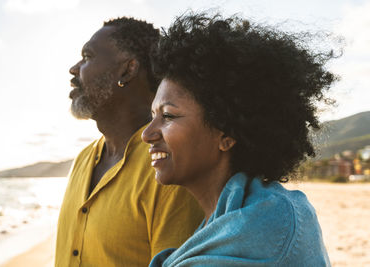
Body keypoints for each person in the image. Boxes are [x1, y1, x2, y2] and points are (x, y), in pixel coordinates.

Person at [142, 13, 336, 266]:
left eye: (168, 115)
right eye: (152, 115)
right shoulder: (237, 218)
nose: (147, 134)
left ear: (226, 133)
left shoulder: (268, 224)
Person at [55, 17, 204, 267]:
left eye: (87, 56)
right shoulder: (82, 160)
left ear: (128, 69)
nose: (74, 69)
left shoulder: (171, 167)